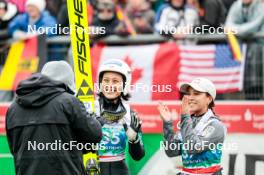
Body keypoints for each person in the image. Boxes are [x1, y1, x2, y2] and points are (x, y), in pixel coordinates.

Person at [5, 61, 103, 175]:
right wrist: (94, 118)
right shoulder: (69, 102)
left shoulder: (13, 108)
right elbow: (94, 135)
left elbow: (15, 149)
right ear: (68, 84)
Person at [158, 77, 226, 175]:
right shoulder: (189, 121)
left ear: (209, 99)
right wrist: (168, 123)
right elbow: (172, 152)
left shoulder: (216, 125)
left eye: (196, 94)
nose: (190, 97)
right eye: (189, 94)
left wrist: (185, 115)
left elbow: (193, 148)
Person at [94, 59, 145, 175]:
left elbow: (138, 156)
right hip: (92, 169)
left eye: (115, 81)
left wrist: (134, 140)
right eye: (106, 80)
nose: (110, 85)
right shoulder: (90, 108)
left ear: (124, 85)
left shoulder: (129, 113)